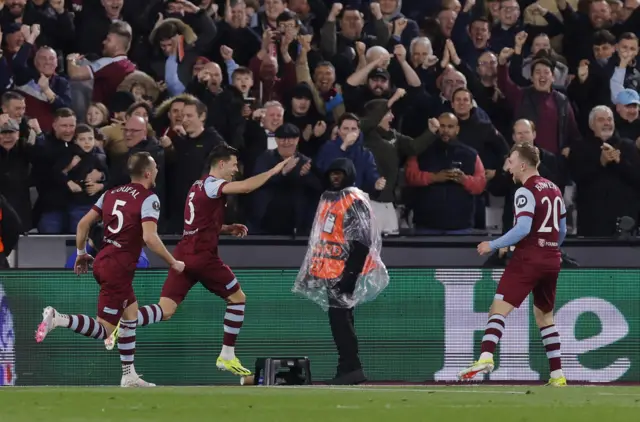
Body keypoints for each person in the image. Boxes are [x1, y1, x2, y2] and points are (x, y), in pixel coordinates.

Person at [105, 143, 294, 376]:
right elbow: (245, 188)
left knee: (165, 310)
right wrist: (275, 170)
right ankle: (227, 355)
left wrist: (224, 228)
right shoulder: (214, 185)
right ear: (221, 164)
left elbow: (198, 222)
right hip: (203, 257)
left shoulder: (197, 185)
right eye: (234, 165)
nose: (235, 170)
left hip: (184, 255)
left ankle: (125, 323)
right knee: (237, 298)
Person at [35, 152, 185, 388]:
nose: (157, 171)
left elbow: (83, 223)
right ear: (148, 173)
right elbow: (150, 237)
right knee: (105, 329)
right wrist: (173, 262)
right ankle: (58, 319)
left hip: (104, 259)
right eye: (155, 168)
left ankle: (129, 374)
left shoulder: (111, 193)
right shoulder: (149, 198)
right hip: (118, 268)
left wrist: (82, 252)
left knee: (131, 317)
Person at [458, 143, 568, 387]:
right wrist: (549, 247)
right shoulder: (555, 189)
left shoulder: (524, 191)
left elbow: (522, 228)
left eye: (511, 160)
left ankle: (486, 356)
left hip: (529, 259)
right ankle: (558, 375)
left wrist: (494, 244)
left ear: (523, 164)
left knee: (498, 308)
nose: (508, 166)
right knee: (545, 316)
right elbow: (562, 230)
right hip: (552, 259)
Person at [293, 157, 389, 385]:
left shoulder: (352, 200)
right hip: (331, 271)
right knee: (340, 320)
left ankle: (351, 367)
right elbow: (322, 241)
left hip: (345, 272)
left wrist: (350, 275)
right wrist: (312, 272)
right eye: (332, 173)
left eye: (340, 174)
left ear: (349, 174)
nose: (335, 177)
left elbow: (363, 242)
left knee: (341, 320)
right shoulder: (331, 199)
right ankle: (348, 367)